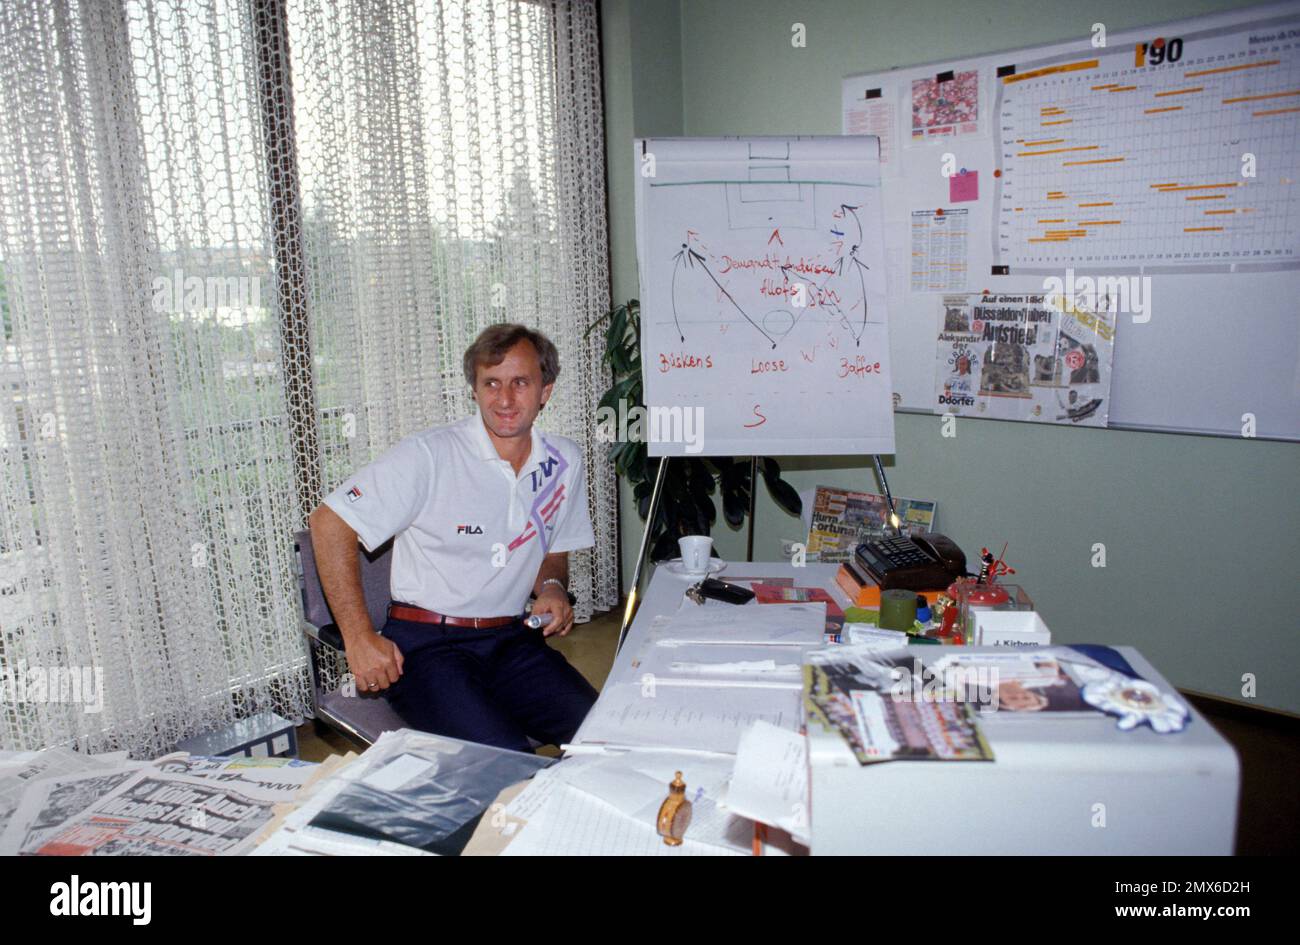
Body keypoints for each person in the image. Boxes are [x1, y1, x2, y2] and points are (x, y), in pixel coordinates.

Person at [307, 324, 598, 752]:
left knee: (605, 737)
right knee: (505, 764)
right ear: (475, 390)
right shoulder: (430, 455)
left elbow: (552, 545)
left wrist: (552, 587)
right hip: (428, 649)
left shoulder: (564, 462)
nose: (504, 399)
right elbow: (329, 522)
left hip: (511, 641)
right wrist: (359, 638)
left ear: (546, 391)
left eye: (520, 383)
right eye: (491, 383)